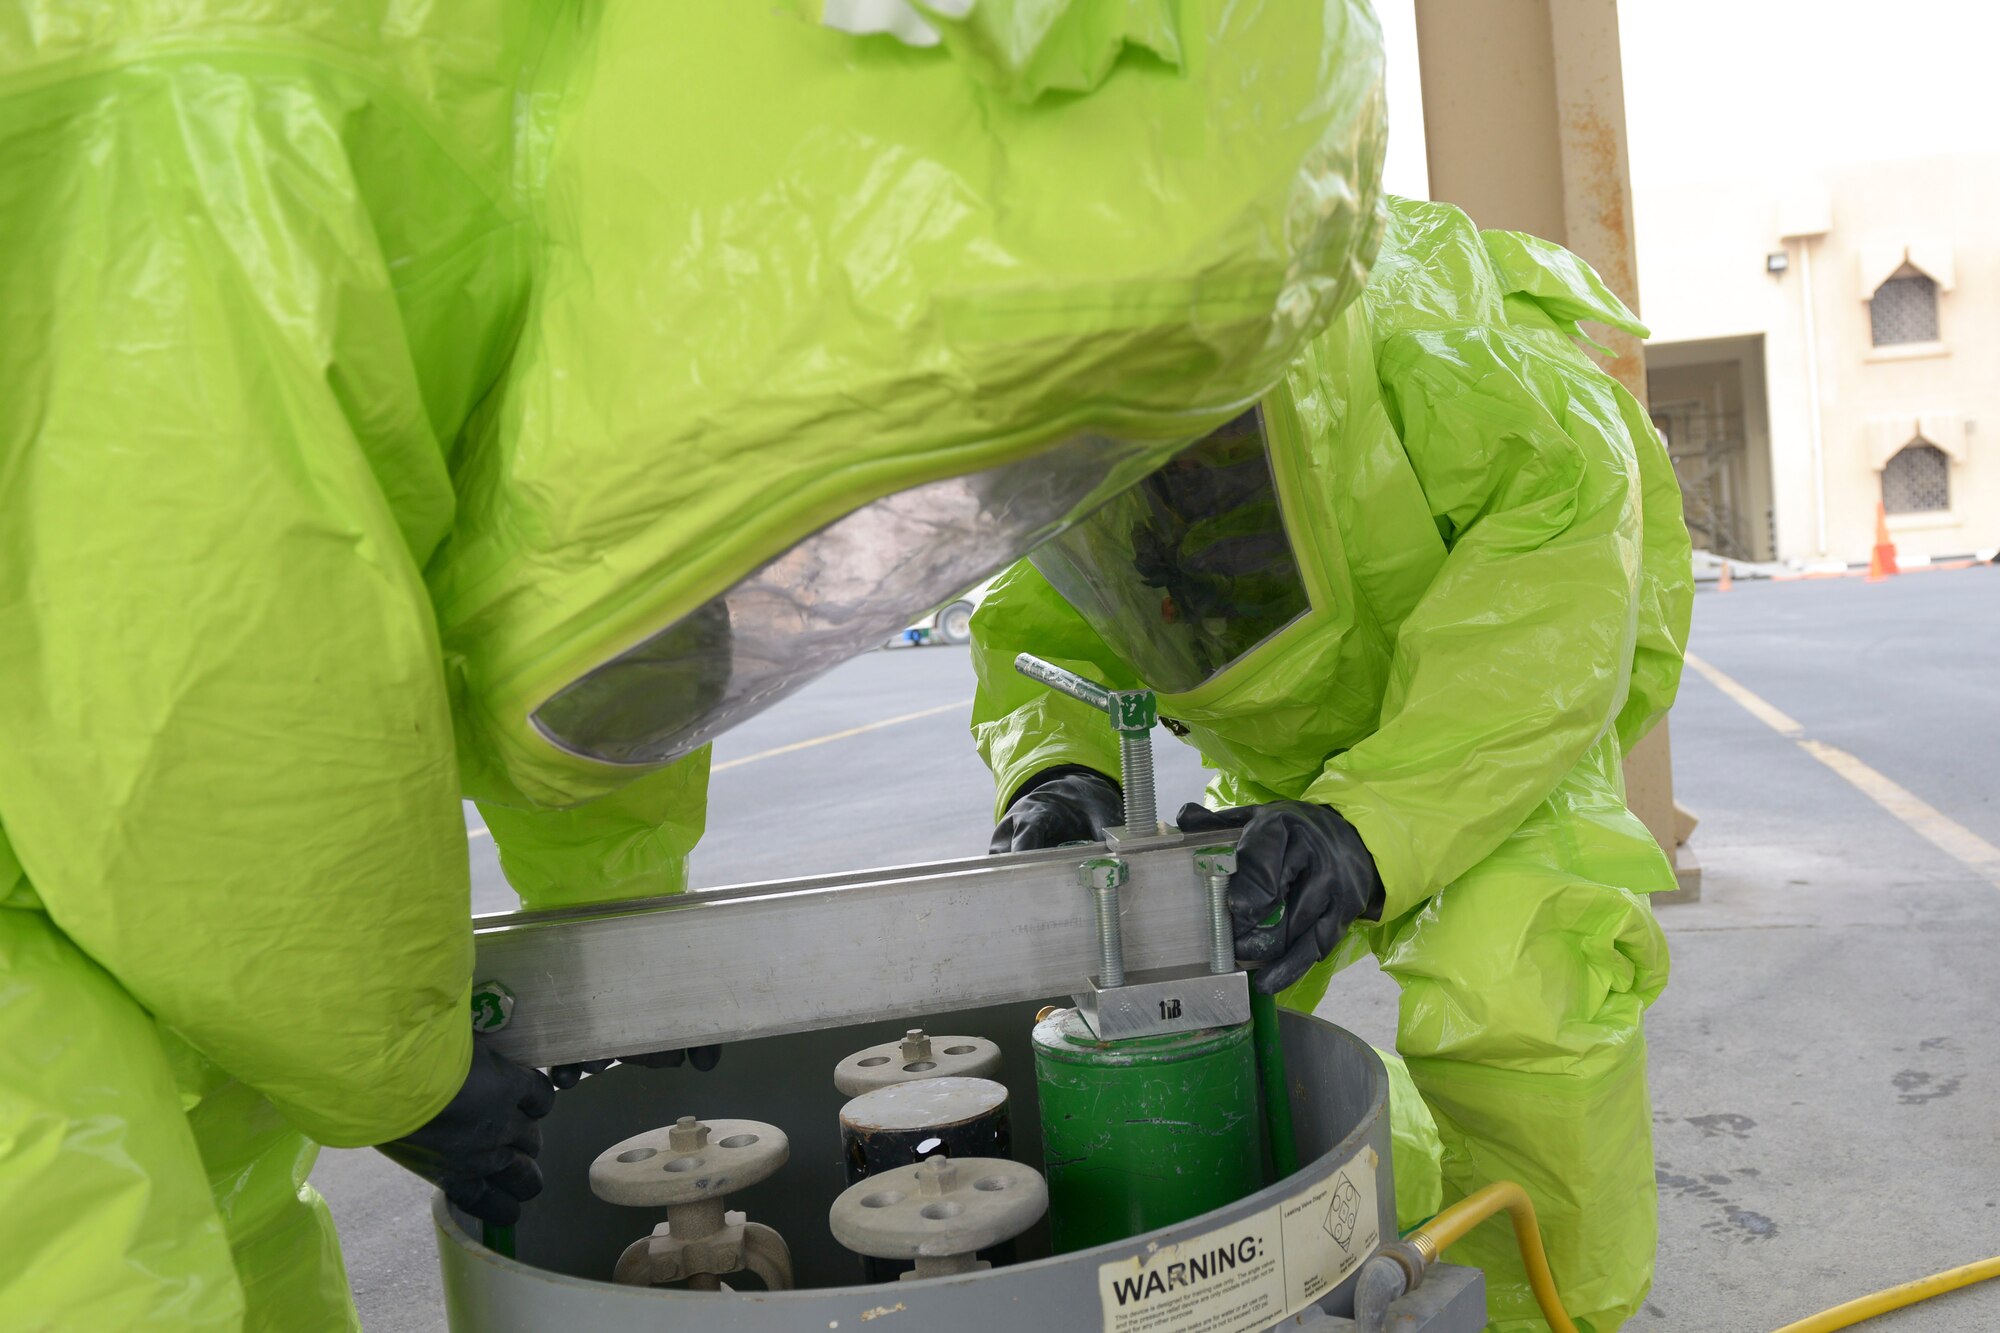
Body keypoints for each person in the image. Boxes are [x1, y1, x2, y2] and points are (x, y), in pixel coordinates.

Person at [0, 2, 1390, 1326]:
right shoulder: (209, 109)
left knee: (215, 1237)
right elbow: (206, 683)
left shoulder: (549, 117)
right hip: (51, 950)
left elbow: (574, 523)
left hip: (108, 932)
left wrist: (615, 911)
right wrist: (395, 1065)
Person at [975, 196, 1694, 1332]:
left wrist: (1367, 831)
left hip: (1497, 732)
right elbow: (1038, 621)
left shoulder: (1434, 356)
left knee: (1513, 976)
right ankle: (1323, 1245)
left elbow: (1549, 605)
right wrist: (1057, 775)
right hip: (1289, 767)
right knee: (1186, 999)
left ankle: (1541, 1311)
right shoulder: (1085, 414)